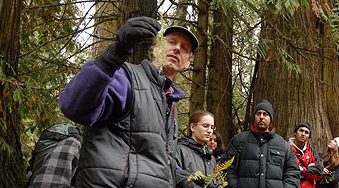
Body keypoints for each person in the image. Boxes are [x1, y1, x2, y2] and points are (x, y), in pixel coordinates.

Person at [58, 17, 199, 187]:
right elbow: (74, 106)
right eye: (171, 42)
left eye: (184, 48)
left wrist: (186, 178)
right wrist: (115, 54)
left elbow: (156, 160)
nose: (177, 48)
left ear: (187, 63)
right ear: (156, 48)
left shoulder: (170, 101)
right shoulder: (127, 78)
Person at [221, 100, 300, 188]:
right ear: (254, 117)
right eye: (258, 113)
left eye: (265, 114)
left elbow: (293, 172)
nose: (261, 117)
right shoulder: (239, 140)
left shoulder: (283, 145)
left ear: (270, 118)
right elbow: (225, 167)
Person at [176, 110, 217, 188]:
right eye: (205, 126)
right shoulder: (179, 151)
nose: (209, 131)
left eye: (212, 127)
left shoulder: (211, 158)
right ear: (192, 127)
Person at [288, 121, 324, 188]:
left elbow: (319, 173)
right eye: (301, 131)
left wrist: (302, 169)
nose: (303, 134)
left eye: (306, 132)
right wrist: (310, 170)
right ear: (295, 133)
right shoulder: (287, 149)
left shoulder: (312, 151)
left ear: (309, 137)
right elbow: (288, 171)